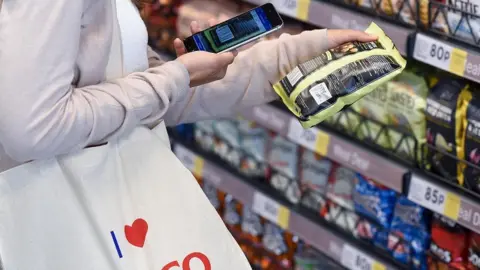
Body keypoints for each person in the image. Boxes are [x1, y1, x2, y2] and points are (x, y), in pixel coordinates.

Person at [0, 0, 376, 267]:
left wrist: (300, 52)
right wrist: (175, 76)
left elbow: (145, 102)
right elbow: (34, 128)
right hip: (61, 220)